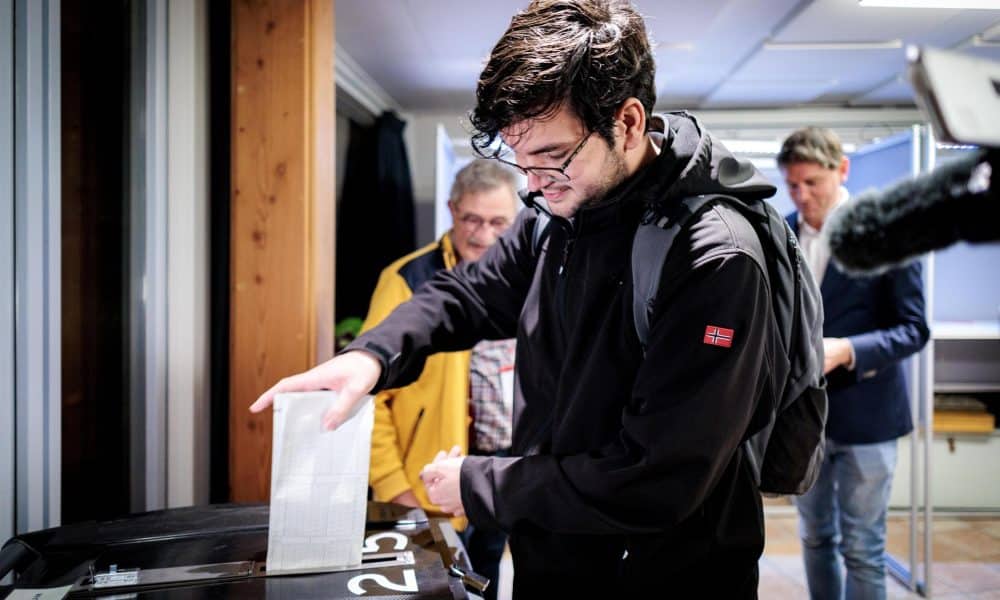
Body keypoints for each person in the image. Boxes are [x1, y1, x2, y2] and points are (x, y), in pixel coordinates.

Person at [253, 1, 785, 595]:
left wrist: (479, 484)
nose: (532, 185)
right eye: (520, 161)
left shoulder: (714, 257)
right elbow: (467, 293)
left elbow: (659, 477)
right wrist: (371, 356)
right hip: (555, 554)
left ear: (629, 122)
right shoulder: (555, 212)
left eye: (551, 159)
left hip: (668, 572)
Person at [778, 127, 929, 600]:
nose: (802, 195)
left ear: (842, 170)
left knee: (863, 548)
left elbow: (913, 328)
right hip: (803, 419)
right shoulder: (780, 232)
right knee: (815, 537)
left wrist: (848, 350)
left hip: (868, 418)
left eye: (812, 183)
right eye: (793, 184)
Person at [361, 159, 519, 599]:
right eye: (472, 219)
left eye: (498, 223)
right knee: (436, 592)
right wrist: (396, 488)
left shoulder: (526, 278)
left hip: (501, 477)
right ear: (452, 210)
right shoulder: (406, 280)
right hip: (427, 487)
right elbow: (370, 397)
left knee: (486, 581)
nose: (483, 235)